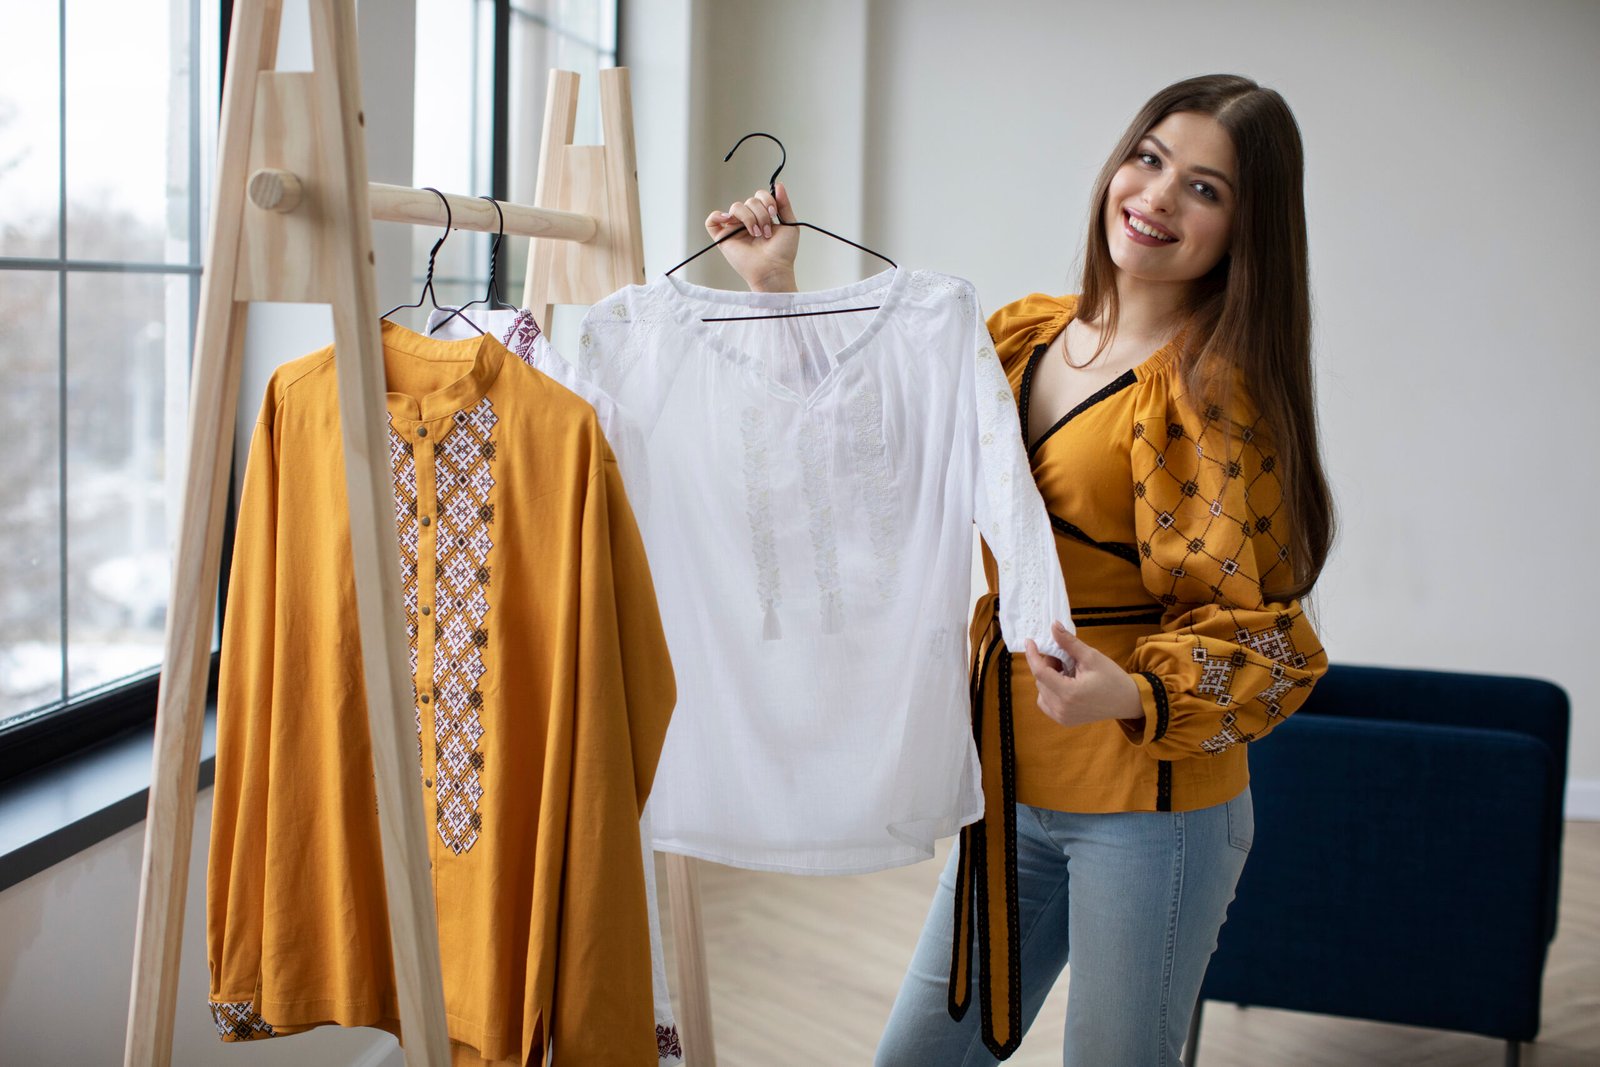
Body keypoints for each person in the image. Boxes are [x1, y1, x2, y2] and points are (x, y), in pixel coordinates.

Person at [706, 73, 1333, 1066]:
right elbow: (878, 464)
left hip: (1151, 803)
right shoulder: (1021, 333)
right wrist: (774, 287)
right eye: (1150, 158)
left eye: (1205, 190)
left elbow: (1272, 636)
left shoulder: (1215, 398)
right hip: (1006, 776)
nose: (1159, 197)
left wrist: (1131, 688)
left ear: (1245, 229)